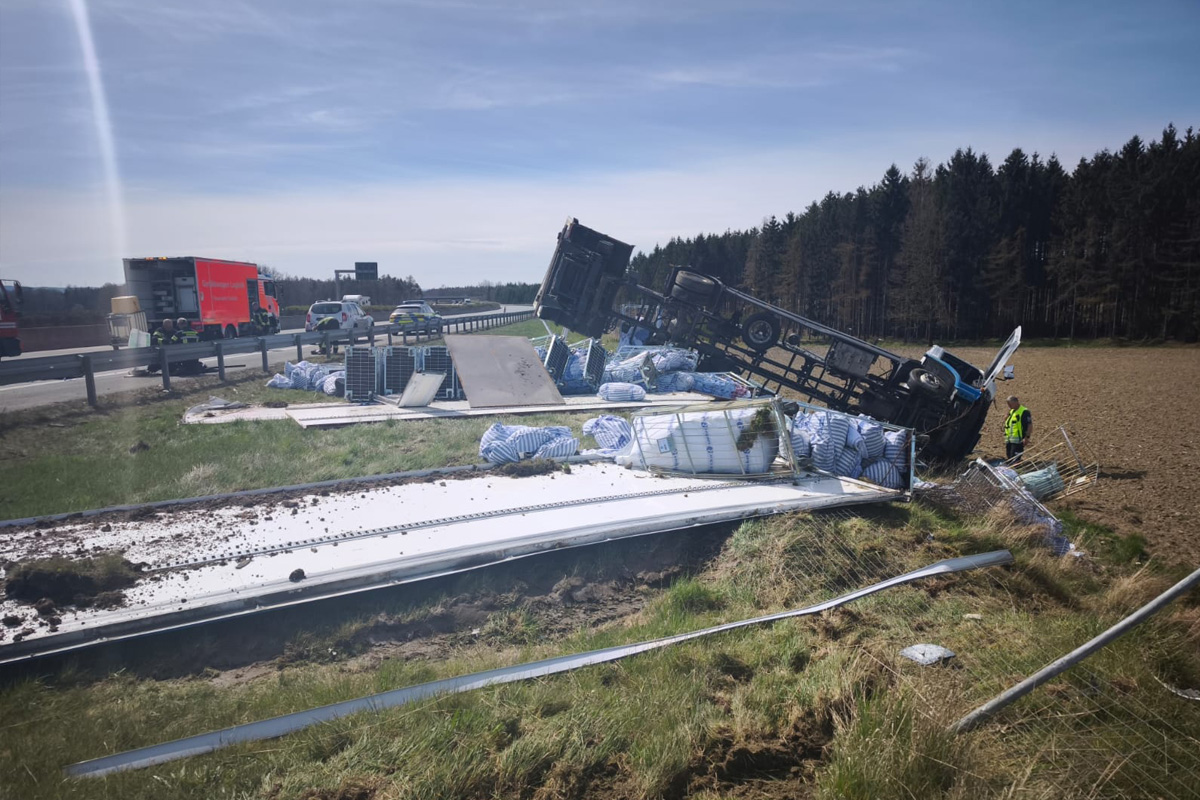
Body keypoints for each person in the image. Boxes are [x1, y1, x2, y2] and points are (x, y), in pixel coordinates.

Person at [1003, 395, 1032, 462]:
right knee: (1009, 457)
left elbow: (1029, 425)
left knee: (1014, 459)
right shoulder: (1011, 411)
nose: (1009, 406)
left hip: (1018, 440)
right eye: (1008, 404)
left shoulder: (1024, 412)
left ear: (1016, 402)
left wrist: (1027, 437)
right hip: (1010, 440)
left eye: (1010, 404)